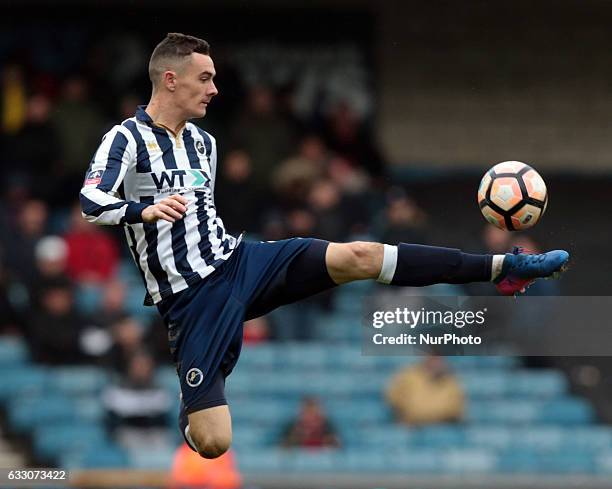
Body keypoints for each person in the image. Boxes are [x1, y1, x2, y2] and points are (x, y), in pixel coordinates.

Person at [79, 33, 570, 459]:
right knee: (213, 442)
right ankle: (195, 412)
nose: (214, 88)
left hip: (240, 260)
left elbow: (202, 215)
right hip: (192, 299)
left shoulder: (204, 142)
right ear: (170, 79)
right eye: (204, 78)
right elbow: (90, 201)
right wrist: (141, 210)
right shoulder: (125, 139)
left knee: (360, 255)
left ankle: (503, 267)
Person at [385, 355, 465, 426]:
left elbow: (457, 410)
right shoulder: (408, 376)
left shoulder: (450, 381)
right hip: (412, 427)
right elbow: (393, 398)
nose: (436, 363)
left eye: (439, 359)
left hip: (441, 427)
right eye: (433, 358)